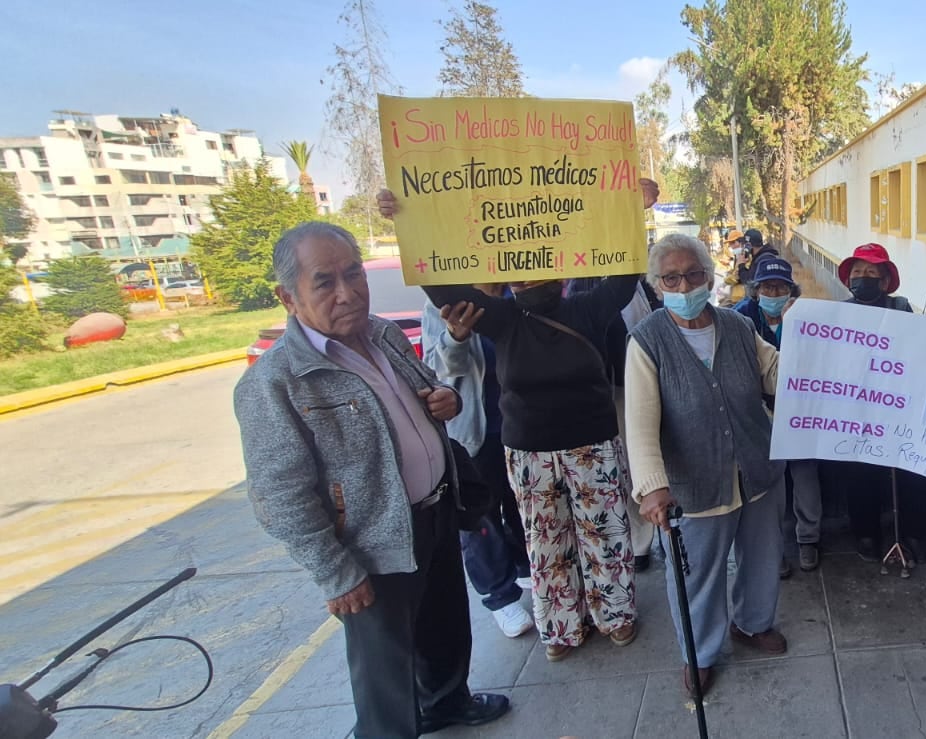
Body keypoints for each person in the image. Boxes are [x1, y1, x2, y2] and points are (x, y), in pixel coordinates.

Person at [234, 222, 510, 738]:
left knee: (444, 627)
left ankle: (447, 703)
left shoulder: (382, 334)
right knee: (385, 675)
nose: (348, 292)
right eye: (325, 282)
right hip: (372, 545)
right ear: (287, 297)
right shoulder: (275, 382)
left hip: (434, 511)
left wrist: (442, 402)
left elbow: (428, 392)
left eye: (353, 273)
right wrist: (336, 572)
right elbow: (279, 496)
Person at [376, 189, 641, 663]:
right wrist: (407, 225)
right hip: (529, 455)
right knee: (546, 540)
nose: (528, 272)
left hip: (592, 447)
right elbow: (442, 288)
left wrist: (630, 208)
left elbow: (625, 272)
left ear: (560, 267)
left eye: (540, 261)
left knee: (605, 535)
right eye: (518, 265)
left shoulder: (588, 305)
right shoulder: (498, 319)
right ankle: (560, 626)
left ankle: (615, 615)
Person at [626, 234, 789, 698]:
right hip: (691, 484)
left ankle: (753, 624)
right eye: (672, 277)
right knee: (697, 577)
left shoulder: (735, 326)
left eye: (694, 273)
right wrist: (653, 487)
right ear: (658, 286)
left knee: (760, 559)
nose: (684, 283)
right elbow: (639, 424)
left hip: (756, 468)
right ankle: (699, 653)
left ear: (709, 276)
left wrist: (811, 342)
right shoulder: (647, 340)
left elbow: (774, 372)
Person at [421, 284, 536, 639]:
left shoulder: (520, 291)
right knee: (480, 518)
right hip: (475, 429)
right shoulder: (439, 302)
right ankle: (499, 596)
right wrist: (456, 336)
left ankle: (524, 564)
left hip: (524, 423)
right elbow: (434, 370)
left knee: (523, 503)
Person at [564, 177, 665, 572]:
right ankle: (616, 545)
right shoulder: (569, 285)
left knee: (639, 455)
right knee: (607, 467)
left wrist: (631, 211)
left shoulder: (632, 280)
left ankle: (640, 542)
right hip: (592, 389)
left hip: (633, 381)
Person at [833, 243, 926, 564]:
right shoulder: (838, 314)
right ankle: (866, 533)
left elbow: (922, 349)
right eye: (858, 272)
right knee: (860, 473)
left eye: (871, 272)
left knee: (910, 473)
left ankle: (914, 532)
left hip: (899, 406)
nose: (863, 277)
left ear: (884, 279)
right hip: (858, 408)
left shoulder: (902, 309)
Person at [732, 257, 826, 571]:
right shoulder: (740, 318)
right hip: (757, 413)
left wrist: (792, 323)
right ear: (756, 290)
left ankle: (808, 539)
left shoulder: (807, 317)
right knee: (767, 481)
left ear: (791, 290)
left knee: (804, 474)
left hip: (799, 410)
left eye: (781, 286)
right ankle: (774, 548)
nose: (774, 291)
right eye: (768, 286)